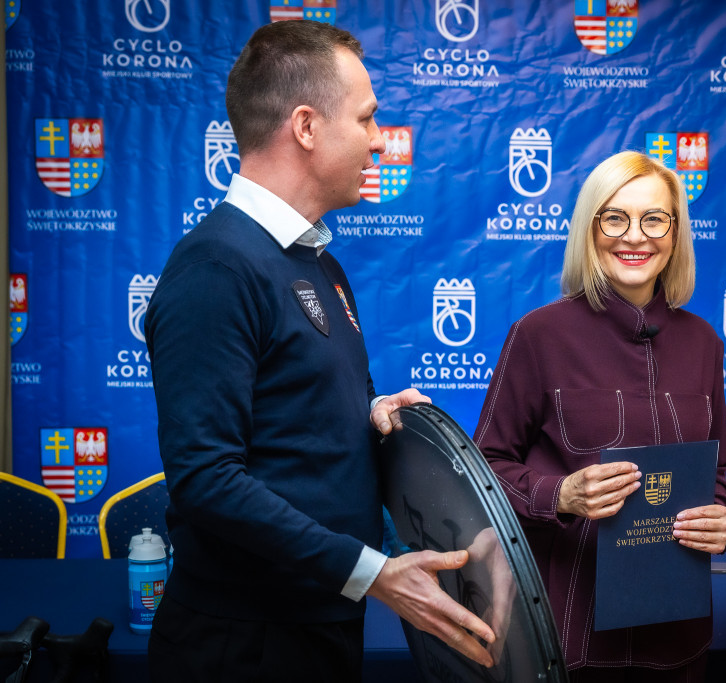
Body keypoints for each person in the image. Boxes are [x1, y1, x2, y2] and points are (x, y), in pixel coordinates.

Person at [144, 20, 494, 681]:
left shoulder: (319, 264)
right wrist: (374, 574)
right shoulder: (216, 267)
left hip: (318, 628)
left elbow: (290, 417)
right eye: (366, 118)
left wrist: (369, 413)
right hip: (243, 649)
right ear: (306, 126)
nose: (379, 140)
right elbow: (206, 479)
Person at [474, 151, 726, 681]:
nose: (635, 237)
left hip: (677, 639)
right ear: (590, 229)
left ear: (675, 233)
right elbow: (484, 469)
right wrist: (560, 494)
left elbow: (715, 475)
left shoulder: (704, 342)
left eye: (654, 219)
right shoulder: (539, 335)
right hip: (569, 637)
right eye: (615, 218)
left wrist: (721, 520)